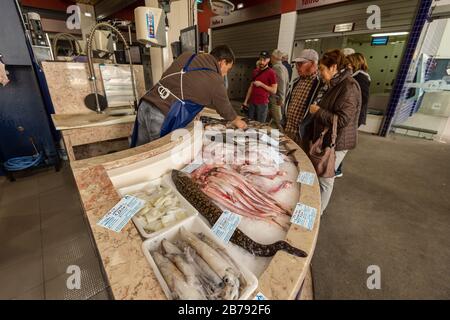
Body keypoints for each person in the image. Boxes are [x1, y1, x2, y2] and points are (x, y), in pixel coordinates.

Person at [133, 45, 247, 146]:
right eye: (228, 69)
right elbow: (225, 109)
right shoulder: (215, 79)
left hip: (146, 104)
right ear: (222, 62)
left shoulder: (187, 56)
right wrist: (237, 121)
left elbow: (182, 84)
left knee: (139, 150)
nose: (225, 73)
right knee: (156, 156)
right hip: (161, 116)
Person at [309, 49, 361, 213]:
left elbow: (343, 120)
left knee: (325, 179)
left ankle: (318, 213)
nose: (321, 73)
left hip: (337, 142)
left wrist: (318, 112)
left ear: (333, 67)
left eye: (323, 69)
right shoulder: (335, 83)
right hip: (327, 138)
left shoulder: (349, 87)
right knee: (320, 175)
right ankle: (315, 205)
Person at [335, 52, 371, 178]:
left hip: (348, 122)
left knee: (327, 173)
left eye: (348, 63)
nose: (345, 66)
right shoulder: (353, 78)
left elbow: (363, 98)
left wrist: (348, 107)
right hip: (345, 121)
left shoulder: (358, 79)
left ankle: (336, 170)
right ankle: (335, 169)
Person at [283, 49, 321, 150]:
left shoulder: (320, 84)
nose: (297, 67)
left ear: (313, 63)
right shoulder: (296, 81)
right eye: (296, 64)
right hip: (288, 130)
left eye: (301, 64)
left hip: (303, 135)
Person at [242, 51, 277, 123]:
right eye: (261, 59)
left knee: (260, 125)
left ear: (268, 60)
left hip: (262, 103)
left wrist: (261, 85)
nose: (262, 62)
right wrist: (245, 101)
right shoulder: (255, 71)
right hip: (252, 102)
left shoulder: (271, 72)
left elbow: (274, 90)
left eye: (264, 60)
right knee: (250, 123)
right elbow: (251, 87)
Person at [268, 49, 289, 130]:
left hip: (275, 99)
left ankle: (283, 139)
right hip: (280, 98)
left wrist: (280, 98)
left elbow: (281, 83)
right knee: (274, 121)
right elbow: (287, 84)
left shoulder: (276, 67)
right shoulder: (284, 67)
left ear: (273, 57)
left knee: (278, 122)